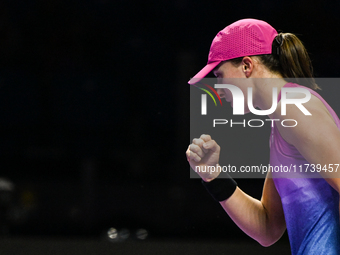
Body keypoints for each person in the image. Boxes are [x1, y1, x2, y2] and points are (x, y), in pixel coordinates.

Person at [186, 19, 340, 255]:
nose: (217, 87)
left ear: (247, 66)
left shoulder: (295, 107)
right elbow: (268, 228)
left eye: (220, 74)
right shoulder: (282, 120)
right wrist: (213, 175)